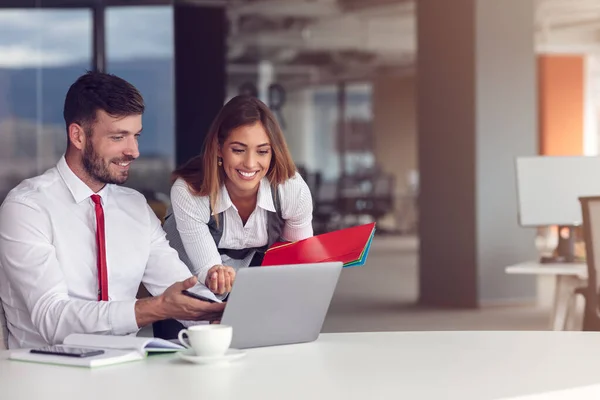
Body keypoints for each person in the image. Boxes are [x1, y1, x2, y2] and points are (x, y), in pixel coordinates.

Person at [0, 71, 224, 349]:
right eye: (119, 137)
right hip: (45, 376)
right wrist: (155, 309)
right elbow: (53, 320)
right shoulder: (27, 208)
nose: (134, 151)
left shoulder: (135, 207)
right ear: (78, 136)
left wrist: (223, 314)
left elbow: (181, 288)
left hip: (124, 373)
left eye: (136, 136)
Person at [163, 95, 314, 296]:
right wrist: (216, 276)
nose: (250, 164)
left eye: (262, 151)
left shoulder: (291, 189)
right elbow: (207, 269)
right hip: (186, 278)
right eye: (238, 150)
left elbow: (298, 258)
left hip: (252, 276)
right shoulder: (190, 191)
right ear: (219, 148)